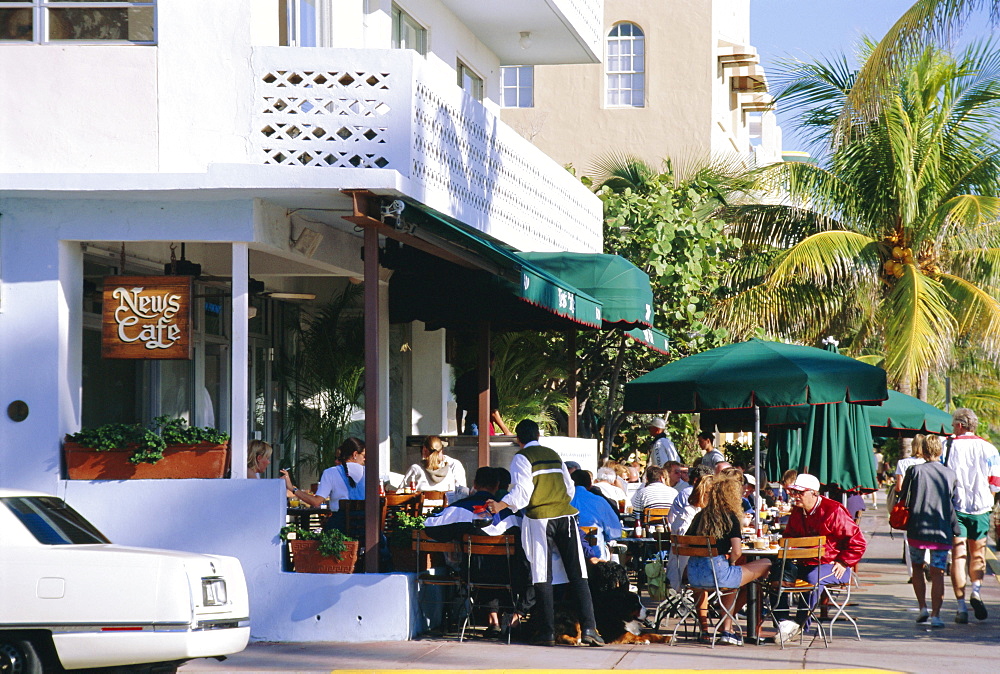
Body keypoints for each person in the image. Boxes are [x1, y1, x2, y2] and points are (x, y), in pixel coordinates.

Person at [485, 419, 605, 647]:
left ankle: (547, 631)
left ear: (518, 440)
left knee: (542, 574)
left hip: (540, 519)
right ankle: (590, 628)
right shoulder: (553, 454)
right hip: (566, 516)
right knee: (578, 573)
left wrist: (501, 505)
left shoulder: (521, 458)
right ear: (538, 436)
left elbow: (522, 493)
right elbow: (569, 489)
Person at [424, 467, 525, 638]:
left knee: (480, 563)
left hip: (472, 575)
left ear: (475, 484)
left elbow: (430, 526)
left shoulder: (459, 509)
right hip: (508, 576)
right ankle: (510, 619)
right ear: (497, 485)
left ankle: (493, 621)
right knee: (499, 565)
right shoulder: (513, 513)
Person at [774, 473, 867, 641]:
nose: (795, 497)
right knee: (774, 573)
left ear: (814, 493)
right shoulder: (798, 512)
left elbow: (858, 542)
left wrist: (843, 561)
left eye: (800, 493)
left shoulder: (833, 510)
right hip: (804, 563)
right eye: (794, 492)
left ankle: (800, 626)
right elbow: (789, 537)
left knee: (813, 578)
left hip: (833, 565)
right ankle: (783, 622)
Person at [685, 477, 772, 646]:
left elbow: (685, 541)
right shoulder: (730, 516)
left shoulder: (701, 515)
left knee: (731, 578)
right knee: (767, 563)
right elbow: (737, 551)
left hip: (694, 575)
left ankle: (727, 627)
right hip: (717, 573)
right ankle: (727, 628)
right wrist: (731, 561)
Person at [943, 408, 1000, 623]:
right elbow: (996, 482)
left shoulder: (947, 445)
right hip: (981, 507)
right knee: (978, 554)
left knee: (958, 556)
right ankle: (976, 590)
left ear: (959, 424)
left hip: (956, 507)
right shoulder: (989, 448)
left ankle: (961, 607)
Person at [900, 434, 959, 629]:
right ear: (939, 451)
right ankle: (936, 616)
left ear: (922, 450)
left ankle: (922, 608)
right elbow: (953, 502)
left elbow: (904, 498)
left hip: (917, 528)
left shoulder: (914, 471)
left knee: (917, 566)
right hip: (941, 530)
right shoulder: (950, 474)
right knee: (938, 572)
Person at [290, 438, 366, 511]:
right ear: (355, 454)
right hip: (365, 522)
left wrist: (293, 489)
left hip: (340, 521)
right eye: (363, 456)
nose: (364, 459)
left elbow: (316, 502)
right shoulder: (369, 472)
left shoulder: (330, 472)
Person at [570, 470, 623, 562]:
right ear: (590, 485)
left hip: (567, 557)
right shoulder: (599, 501)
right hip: (597, 557)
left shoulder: (562, 501)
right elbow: (615, 532)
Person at [895, 436, 928, 580]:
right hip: (926, 506)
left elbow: (899, 488)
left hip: (909, 508)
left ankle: (913, 574)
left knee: (909, 541)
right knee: (927, 538)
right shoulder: (929, 464)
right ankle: (926, 562)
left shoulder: (903, 463)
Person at [454, 354, 511, 436]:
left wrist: (459, 431)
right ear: (490, 362)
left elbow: (459, 409)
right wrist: (506, 431)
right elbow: (493, 411)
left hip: (470, 423)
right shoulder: (489, 381)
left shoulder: (464, 379)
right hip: (485, 423)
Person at [401, 435, 468, 494]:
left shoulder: (415, 469)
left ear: (424, 449)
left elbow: (401, 492)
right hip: (446, 508)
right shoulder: (452, 467)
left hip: (421, 508)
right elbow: (462, 493)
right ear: (442, 449)